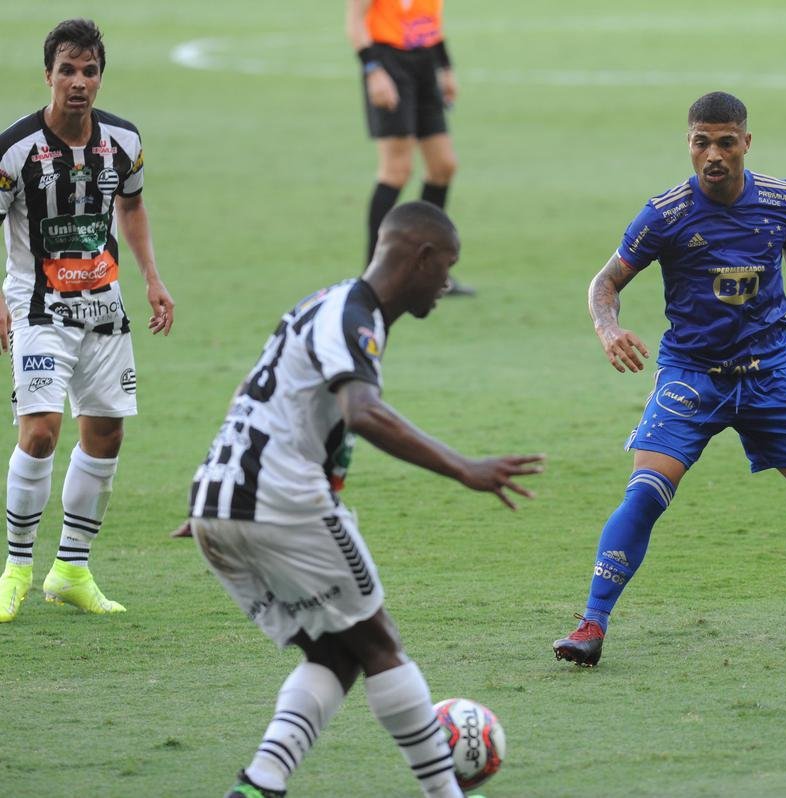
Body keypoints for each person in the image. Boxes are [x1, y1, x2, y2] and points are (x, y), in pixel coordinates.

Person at [552, 92, 786, 667]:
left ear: (746, 143)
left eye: (725, 142)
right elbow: (604, 282)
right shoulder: (665, 214)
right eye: (701, 142)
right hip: (693, 377)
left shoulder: (782, 201)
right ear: (689, 144)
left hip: (770, 376)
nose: (713, 154)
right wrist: (608, 329)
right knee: (646, 493)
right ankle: (590, 625)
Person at [189, 202, 542, 798]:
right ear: (422, 257)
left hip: (219, 503)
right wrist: (465, 468)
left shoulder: (322, 305)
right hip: (281, 502)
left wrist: (219, 500)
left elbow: (251, 398)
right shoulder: (352, 315)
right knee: (381, 646)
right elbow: (363, 412)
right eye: (447, 265)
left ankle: (259, 785)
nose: (448, 282)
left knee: (335, 654)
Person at [0, 19, 175, 623]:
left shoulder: (123, 140)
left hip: (102, 305)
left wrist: (152, 277)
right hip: (38, 306)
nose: (78, 82)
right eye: (67, 70)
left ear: (100, 77)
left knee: (105, 434)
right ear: (48, 75)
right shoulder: (15, 149)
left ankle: (71, 569)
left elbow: (132, 205)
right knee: (41, 431)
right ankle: (16, 568)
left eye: (89, 71)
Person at [345, 0, 472, 295]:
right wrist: (373, 70)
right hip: (388, 61)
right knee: (396, 171)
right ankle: (372, 277)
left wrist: (446, 68)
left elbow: (430, 21)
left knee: (443, 166)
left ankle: (430, 271)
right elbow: (355, 22)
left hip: (424, 61)